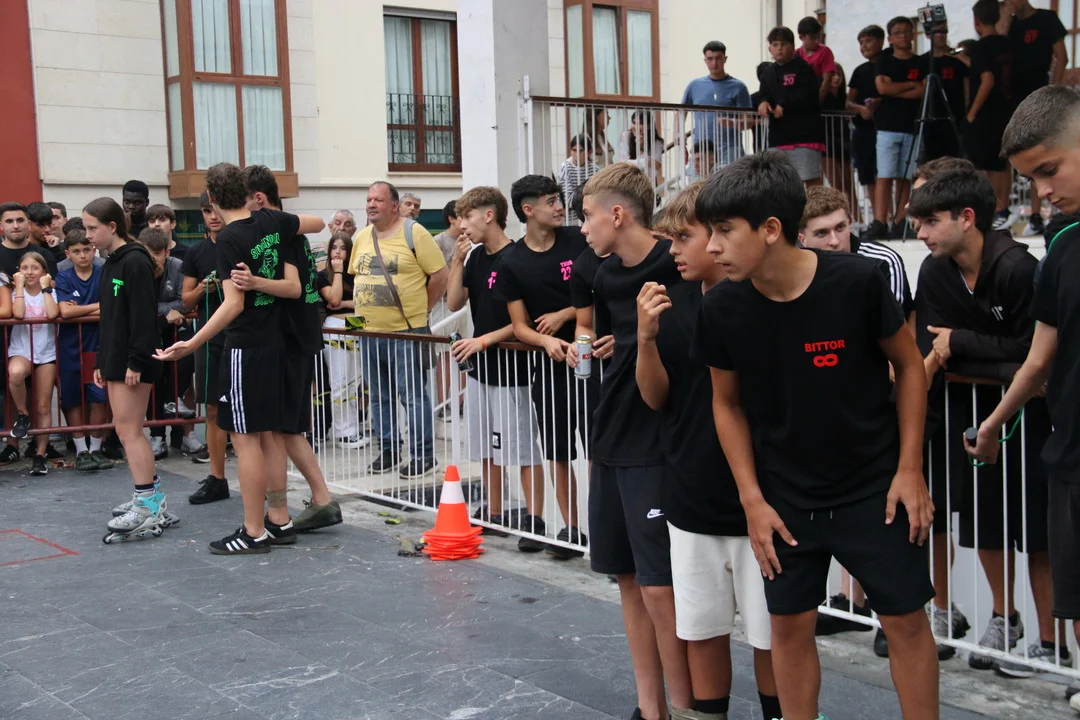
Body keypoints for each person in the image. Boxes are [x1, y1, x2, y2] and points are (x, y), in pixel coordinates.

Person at [691, 151, 939, 720]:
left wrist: (909, 469)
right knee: (788, 627)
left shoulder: (856, 282)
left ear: (770, 229)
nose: (712, 247)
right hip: (783, 499)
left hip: (874, 489)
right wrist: (752, 499)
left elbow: (909, 367)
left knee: (904, 622)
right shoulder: (722, 307)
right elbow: (726, 404)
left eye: (724, 231)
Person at [909, 167, 1064, 675]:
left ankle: (1051, 642)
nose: (921, 234)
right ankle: (1003, 617)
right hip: (967, 415)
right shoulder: (934, 271)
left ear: (967, 218)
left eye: (931, 221)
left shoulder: (1019, 268)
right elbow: (936, 348)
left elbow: (1036, 355)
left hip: (1027, 418)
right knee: (984, 523)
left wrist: (962, 344)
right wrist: (989, 361)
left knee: (1035, 528)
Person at [642, 182, 781, 720]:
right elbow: (656, 397)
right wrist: (645, 338)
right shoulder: (669, 304)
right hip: (691, 493)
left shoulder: (759, 302)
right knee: (701, 628)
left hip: (761, 500)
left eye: (684, 238)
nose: (673, 251)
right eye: (669, 239)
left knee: (772, 634)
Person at [966, 87, 1080, 711]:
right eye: (1030, 179)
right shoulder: (1061, 243)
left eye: (1049, 170)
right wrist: (992, 424)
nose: (1042, 192)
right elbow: (1039, 359)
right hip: (1071, 458)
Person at [156, 162, 323, 554]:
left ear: (212, 198)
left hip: (246, 346)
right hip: (276, 343)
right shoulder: (272, 220)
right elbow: (316, 223)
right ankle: (278, 520)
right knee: (271, 435)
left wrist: (192, 342)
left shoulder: (229, 238)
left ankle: (253, 531)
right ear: (247, 193)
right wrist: (287, 233)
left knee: (245, 440)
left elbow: (233, 304)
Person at [580, 162, 692, 720]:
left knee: (659, 587)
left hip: (656, 442)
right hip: (609, 438)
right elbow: (620, 337)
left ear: (618, 214)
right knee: (626, 578)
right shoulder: (604, 276)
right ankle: (651, 709)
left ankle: (687, 707)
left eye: (588, 216)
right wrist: (612, 344)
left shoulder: (677, 264)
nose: (583, 228)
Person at [239, 164, 341, 536]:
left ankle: (313, 501)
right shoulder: (288, 231)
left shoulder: (279, 231)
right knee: (286, 428)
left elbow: (294, 287)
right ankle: (313, 500)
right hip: (298, 336)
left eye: (243, 203)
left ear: (258, 199)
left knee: (284, 428)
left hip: (293, 338)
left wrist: (254, 282)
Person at [446, 186, 544, 542]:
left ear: (489, 215)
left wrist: (483, 340)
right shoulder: (474, 258)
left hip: (512, 368)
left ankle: (534, 519)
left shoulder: (517, 257)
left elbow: (525, 320)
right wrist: (457, 261)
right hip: (481, 367)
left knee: (522, 447)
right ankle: (494, 510)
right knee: (486, 446)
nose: (462, 226)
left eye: (468, 217)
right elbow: (454, 302)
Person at [499, 175, 589, 556]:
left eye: (559, 199)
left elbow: (597, 290)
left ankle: (606, 529)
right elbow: (520, 326)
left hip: (591, 355)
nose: (560, 207)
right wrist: (547, 341)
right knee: (557, 449)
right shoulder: (512, 262)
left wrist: (564, 314)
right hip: (550, 368)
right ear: (528, 210)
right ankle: (571, 530)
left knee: (598, 448)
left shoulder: (578, 240)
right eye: (551, 201)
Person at [348, 181, 447, 477]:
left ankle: (423, 455)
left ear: (394, 206)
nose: (371, 204)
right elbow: (358, 279)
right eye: (368, 199)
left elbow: (440, 276)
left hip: (406, 333)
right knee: (379, 396)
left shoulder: (414, 233)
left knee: (412, 396)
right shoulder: (362, 237)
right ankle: (389, 451)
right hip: (370, 333)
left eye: (377, 200)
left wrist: (422, 310)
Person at [84, 197, 167, 542]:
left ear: (112, 226)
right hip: (116, 359)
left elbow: (143, 317)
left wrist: (136, 361)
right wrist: (102, 360)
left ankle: (147, 505)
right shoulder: (111, 263)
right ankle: (151, 498)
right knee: (127, 429)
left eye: (92, 228)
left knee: (129, 431)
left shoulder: (135, 262)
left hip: (133, 361)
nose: (88, 235)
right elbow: (110, 318)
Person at [1003, 0, 1068, 237]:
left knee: (1045, 154)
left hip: (1040, 95)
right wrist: (1006, 18)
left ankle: (1047, 213)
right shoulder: (1009, 24)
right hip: (1012, 99)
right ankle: (1018, 213)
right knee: (1017, 158)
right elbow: (997, 47)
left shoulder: (1046, 19)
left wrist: (1054, 90)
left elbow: (1062, 57)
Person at [181, 192, 229, 496]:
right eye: (206, 211)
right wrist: (202, 288)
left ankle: (262, 479)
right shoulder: (195, 252)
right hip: (209, 338)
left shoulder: (241, 244)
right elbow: (186, 299)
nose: (212, 216)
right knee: (212, 407)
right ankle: (216, 476)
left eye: (216, 209)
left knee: (246, 411)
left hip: (242, 335)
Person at [138, 228, 201, 462]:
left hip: (176, 330)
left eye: (157, 253)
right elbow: (140, 304)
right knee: (154, 379)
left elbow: (186, 301)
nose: (154, 259)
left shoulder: (177, 266)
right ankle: (157, 436)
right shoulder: (137, 268)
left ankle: (174, 403)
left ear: (167, 251)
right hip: (149, 332)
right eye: (149, 253)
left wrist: (170, 309)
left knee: (185, 360)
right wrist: (167, 311)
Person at [55, 229, 112, 472]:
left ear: (94, 250)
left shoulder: (104, 273)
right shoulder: (63, 276)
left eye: (86, 250)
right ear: (68, 254)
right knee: (72, 398)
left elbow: (112, 307)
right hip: (70, 345)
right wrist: (97, 306)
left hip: (97, 345)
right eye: (76, 251)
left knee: (98, 397)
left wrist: (82, 308)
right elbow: (65, 312)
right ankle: (81, 451)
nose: (82, 255)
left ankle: (96, 448)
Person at [875, 17, 927, 239]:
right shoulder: (884, 61)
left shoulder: (921, 62)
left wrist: (897, 89)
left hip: (912, 126)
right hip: (888, 126)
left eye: (907, 31)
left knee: (907, 177)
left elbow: (923, 91)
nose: (903, 36)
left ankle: (900, 220)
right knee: (885, 174)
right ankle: (879, 221)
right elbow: (882, 89)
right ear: (890, 38)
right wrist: (910, 85)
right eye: (898, 32)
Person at [969, 0, 1019, 230]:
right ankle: (1003, 208)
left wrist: (972, 112)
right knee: (1002, 163)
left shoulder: (980, 47)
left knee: (987, 165)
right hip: (1008, 108)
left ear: (976, 21)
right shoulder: (1009, 44)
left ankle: (996, 210)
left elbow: (987, 80)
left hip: (988, 112)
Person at [8, 251, 58, 476]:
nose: (29, 272)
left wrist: (46, 288)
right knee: (15, 373)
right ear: (18, 271)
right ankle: (23, 414)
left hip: (46, 352)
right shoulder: (14, 293)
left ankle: (40, 454)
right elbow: (18, 314)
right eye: (25, 268)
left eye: (35, 268)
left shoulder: (51, 291)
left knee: (44, 405)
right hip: (22, 349)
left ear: (44, 272)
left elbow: (53, 313)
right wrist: (19, 287)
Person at [754, 26, 825, 186]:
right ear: (770, 49)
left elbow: (809, 95)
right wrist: (763, 102)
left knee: (810, 179)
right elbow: (763, 93)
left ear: (792, 47)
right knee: (778, 183)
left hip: (804, 135)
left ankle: (817, 204)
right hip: (778, 137)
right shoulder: (768, 73)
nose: (779, 48)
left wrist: (783, 104)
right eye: (775, 44)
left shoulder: (804, 68)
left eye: (784, 44)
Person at [319, 231, 365, 447]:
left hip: (357, 324)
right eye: (334, 247)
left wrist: (346, 304)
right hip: (335, 327)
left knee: (354, 381)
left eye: (343, 248)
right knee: (339, 380)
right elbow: (333, 298)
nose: (338, 252)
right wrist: (337, 271)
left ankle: (352, 428)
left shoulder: (357, 274)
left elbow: (364, 301)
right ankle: (342, 432)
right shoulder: (323, 275)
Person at [681, 40, 753, 169]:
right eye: (710, 59)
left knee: (729, 181)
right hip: (701, 149)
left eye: (718, 58)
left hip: (730, 149)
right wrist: (678, 134)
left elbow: (748, 121)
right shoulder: (694, 86)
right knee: (698, 181)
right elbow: (681, 112)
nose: (714, 63)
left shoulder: (738, 87)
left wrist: (733, 123)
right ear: (705, 61)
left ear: (725, 59)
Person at [430, 200, 468, 423]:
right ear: (452, 219)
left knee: (463, 352)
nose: (466, 221)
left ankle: (461, 402)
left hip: (464, 306)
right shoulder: (439, 242)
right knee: (446, 354)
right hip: (444, 307)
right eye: (462, 215)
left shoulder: (471, 239)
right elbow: (439, 276)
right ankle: (444, 403)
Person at [848, 25, 886, 236]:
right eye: (861, 43)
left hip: (886, 127)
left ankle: (890, 218)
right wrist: (861, 109)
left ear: (881, 41)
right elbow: (848, 102)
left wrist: (879, 102)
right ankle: (876, 219)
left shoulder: (888, 64)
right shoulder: (860, 71)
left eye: (868, 41)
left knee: (887, 175)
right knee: (868, 175)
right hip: (864, 130)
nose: (864, 46)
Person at [921, 26, 969, 165]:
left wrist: (967, 111)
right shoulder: (923, 60)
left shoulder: (957, 58)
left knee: (953, 159)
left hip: (955, 115)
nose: (941, 35)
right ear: (929, 35)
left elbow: (967, 85)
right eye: (937, 32)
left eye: (944, 31)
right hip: (930, 116)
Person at [0, 202, 58, 277]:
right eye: (9, 221)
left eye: (20, 220)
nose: (15, 226)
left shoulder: (45, 255)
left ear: (28, 224)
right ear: (1, 225)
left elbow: (52, 283)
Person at [558, 135, 601, 224]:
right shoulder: (566, 167)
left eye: (581, 151)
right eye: (574, 150)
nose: (577, 154)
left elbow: (598, 195)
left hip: (590, 217)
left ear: (589, 152)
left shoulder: (595, 169)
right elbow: (567, 199)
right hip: (571, 219)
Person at [620, 111, 666, 191]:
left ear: (649, 126)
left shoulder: (656, 142)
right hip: (629, 180)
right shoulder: (626, 136)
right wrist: (646, 161)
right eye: (634, 123)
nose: (636, 127)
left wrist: (641, 148)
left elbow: (657, 165)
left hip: (648, 182)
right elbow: (623, 162)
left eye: (641, 123)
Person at [796, 17, 837, 105]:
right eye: (812, 38)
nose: (817, 41)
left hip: (819, 98)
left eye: (818, 36)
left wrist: (817, 103)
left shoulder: (825, 52)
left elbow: (826, 81)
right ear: (801, 37)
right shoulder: (795, 54)